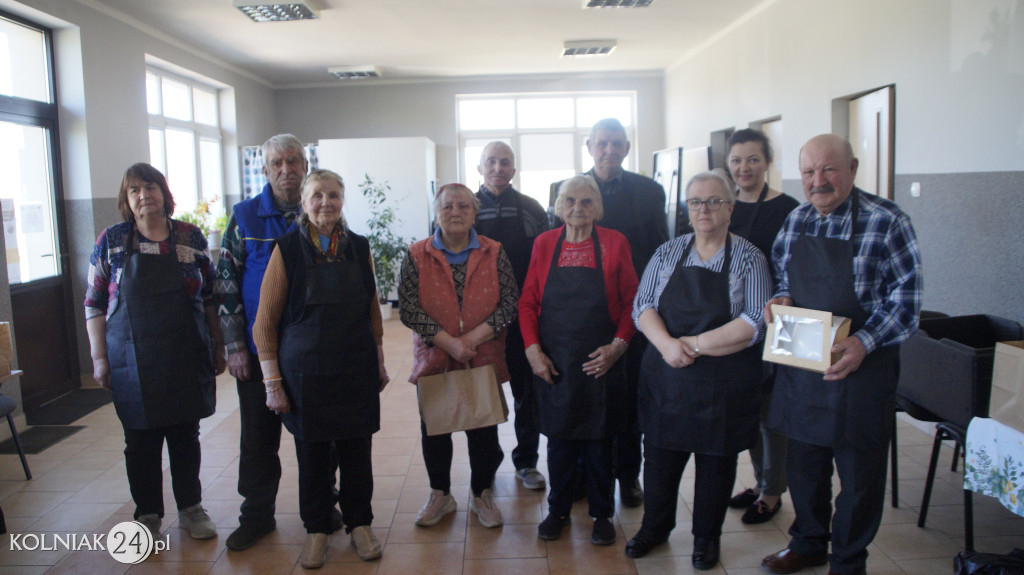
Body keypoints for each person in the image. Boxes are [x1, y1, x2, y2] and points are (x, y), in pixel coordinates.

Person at [760, 134, 922, 575]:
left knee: (860, 481)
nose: (818, 181)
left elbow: (906, 303)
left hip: (863, 369)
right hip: (805, 366)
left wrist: (864, 341)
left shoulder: (888, 221)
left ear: (851, 167)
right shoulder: (795, 221)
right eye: (809, 172)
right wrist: (782, 298)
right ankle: (809, 542)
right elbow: (781, 278)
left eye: (828, 170)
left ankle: (849, 560)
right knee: (805, 469)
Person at [626, 171, 771, 569]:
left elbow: (755, 321)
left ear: (730, 208)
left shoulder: (748, 257)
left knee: (715, 465)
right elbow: (643, 307)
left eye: (713, 201)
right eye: (695, 202)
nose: (703, 209)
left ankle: (707, 539)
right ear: (687, 209)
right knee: (658, 460)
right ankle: (655, 527)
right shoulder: (667, 253)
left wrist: (693, 345)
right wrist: (668, 345)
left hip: (722, 384)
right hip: (666, 378)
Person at [251, 170, 387, 567]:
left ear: (342, 200)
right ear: (304, 202)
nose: (325, 202)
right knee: (311, 456)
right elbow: (264, 324)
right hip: (305, 374)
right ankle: (316, 529)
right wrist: (272, 383)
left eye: (333, 195)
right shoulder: (287, 249)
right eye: (317, 195)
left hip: (355, 367)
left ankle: (360, 523)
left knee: (357, 452)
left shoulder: (359, 247)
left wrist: (379, 360)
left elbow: (373, 313)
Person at [85, 163, 226, 539]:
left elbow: (210, 296)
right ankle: (147, 513)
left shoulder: (190, 238)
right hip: (130, 361)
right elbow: (94, 303)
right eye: (134, 190)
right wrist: (99, 359)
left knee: (185, 437)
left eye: (150, 187)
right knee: (140, 442)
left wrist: (219, 345)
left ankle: (191, 509)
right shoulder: (112, 241)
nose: (143, 195)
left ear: (164, 192)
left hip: (185, 353)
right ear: (126, 200)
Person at [215, 134, 341, 550]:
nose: (286, 169)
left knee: (321, 436)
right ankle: (256, 516)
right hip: (259, 353)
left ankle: (323, 509)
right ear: (265, 170)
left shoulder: (324, 216)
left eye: (293, 160)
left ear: (305, 165)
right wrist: (234, 346)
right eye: (276, 163)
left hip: (313, 355)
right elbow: (226, 283)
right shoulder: (245, 218)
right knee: (258, 440)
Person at [520, 175, 639, 546]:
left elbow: (635, 301)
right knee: (559, 441)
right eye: (570, 201)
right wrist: (533, 350)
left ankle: (602, 515)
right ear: (559, 206)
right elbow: (527, 303)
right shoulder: (543, 244)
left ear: (597, 207)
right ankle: (557, 511)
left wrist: (618, 346)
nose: (578, 209)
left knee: (601, 441)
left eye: (587, 202)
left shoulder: (615, 243)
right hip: (555, 360)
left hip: (601, 358)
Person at [398, 183, 519, 529]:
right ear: (436, 212)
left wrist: (472, 339)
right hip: (435, 357)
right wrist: (449, 343)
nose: (455, 212)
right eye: (448, 206)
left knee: (482, 428)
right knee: (435, 429)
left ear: (475, 213)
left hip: (482, 355)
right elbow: (408, 307)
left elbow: (509, 301)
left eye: (464, 206)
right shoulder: (416, 254)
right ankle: (441, 494)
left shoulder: (494, 251)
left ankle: (481, 493)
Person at [581, 117, 668, 507]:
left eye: (617, 143)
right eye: (602, 143)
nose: (609, 150)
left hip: (635, 311)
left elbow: (660, 251)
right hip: (581, 313)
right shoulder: (570, 191)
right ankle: (586, 474)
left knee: (631, 398)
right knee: (586, 395)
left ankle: (628, 476)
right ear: (590, 146)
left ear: (627, 148)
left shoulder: (650, 192)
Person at [724, 129, 800, 525]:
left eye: (752, 159)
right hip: (736, 323)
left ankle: (773, 491)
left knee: (773, 412)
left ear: (767, 161)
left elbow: (796, 268)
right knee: (749, 408)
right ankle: (760, 480)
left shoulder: (788, 208)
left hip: (776, 320)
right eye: (736, 160)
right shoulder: (724, 206)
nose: (744, 168)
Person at [472, 141, 549, 491]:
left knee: (525, 391)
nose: (498, 168)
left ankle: (526, 462)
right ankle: (486, 465)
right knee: (484, 392)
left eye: (505, 163)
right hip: (477, 318)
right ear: (480, 168)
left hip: (522, 314)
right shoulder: (465, 208)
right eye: (491, 162)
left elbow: (544, 263)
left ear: (514, 170)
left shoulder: (532, 209)